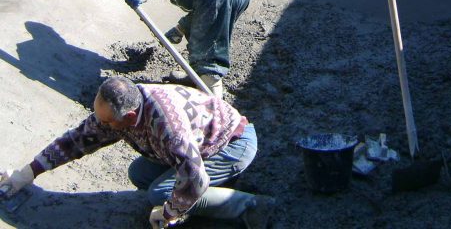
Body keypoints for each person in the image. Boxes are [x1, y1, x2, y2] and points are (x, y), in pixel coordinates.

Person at [0, 76, 274, 228]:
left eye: (108, 122)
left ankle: (250, 206)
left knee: (161, 193)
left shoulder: (168, 125)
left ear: (130, 118)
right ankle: (216, 191)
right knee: (140, 173)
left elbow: (194, 178)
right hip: (199, 143)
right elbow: (77, 140)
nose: (100, 125)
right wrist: (28, 173)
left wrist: (169, 213)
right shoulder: (122, 105)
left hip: (232, 144)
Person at [125, 0, 251, 98]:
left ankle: (213, 103)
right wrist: (181, 28)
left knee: (207, 50)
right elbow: (206, 13)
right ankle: (197, 79)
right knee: (207, 28)